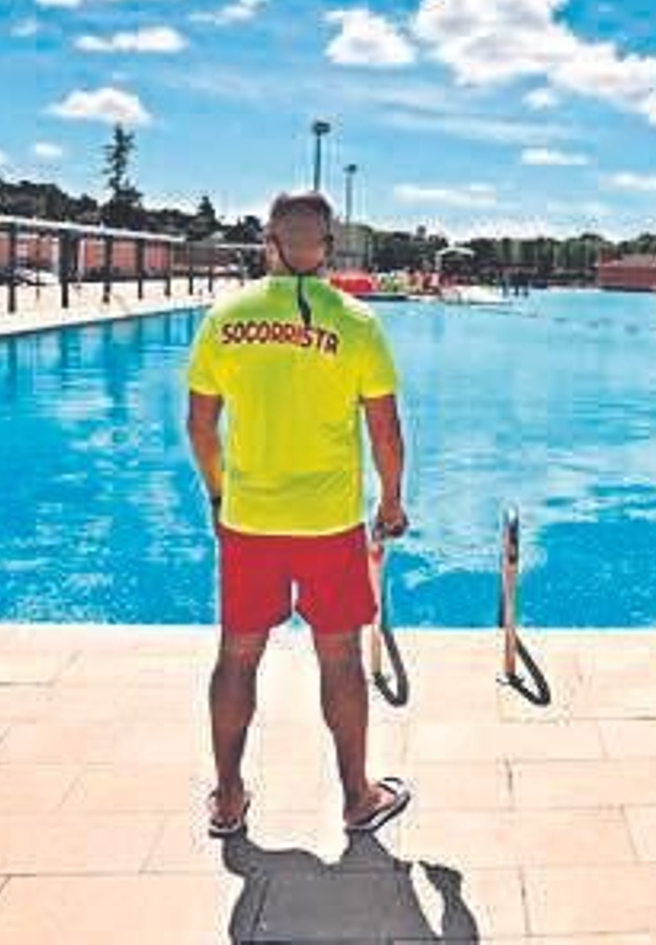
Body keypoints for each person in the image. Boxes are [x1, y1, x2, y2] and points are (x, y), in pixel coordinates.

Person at [186, 190, 412, 837]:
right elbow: (387, 435)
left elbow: (200, 427)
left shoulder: (225, 318)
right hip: (328, 524)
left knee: (237, 657)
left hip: (249, 520)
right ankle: (356, 798)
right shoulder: (357, 323)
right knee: (339, 658)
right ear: (328, 247)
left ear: (270, 241)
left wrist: (218, 493)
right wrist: (390, 501)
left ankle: (229, 800)